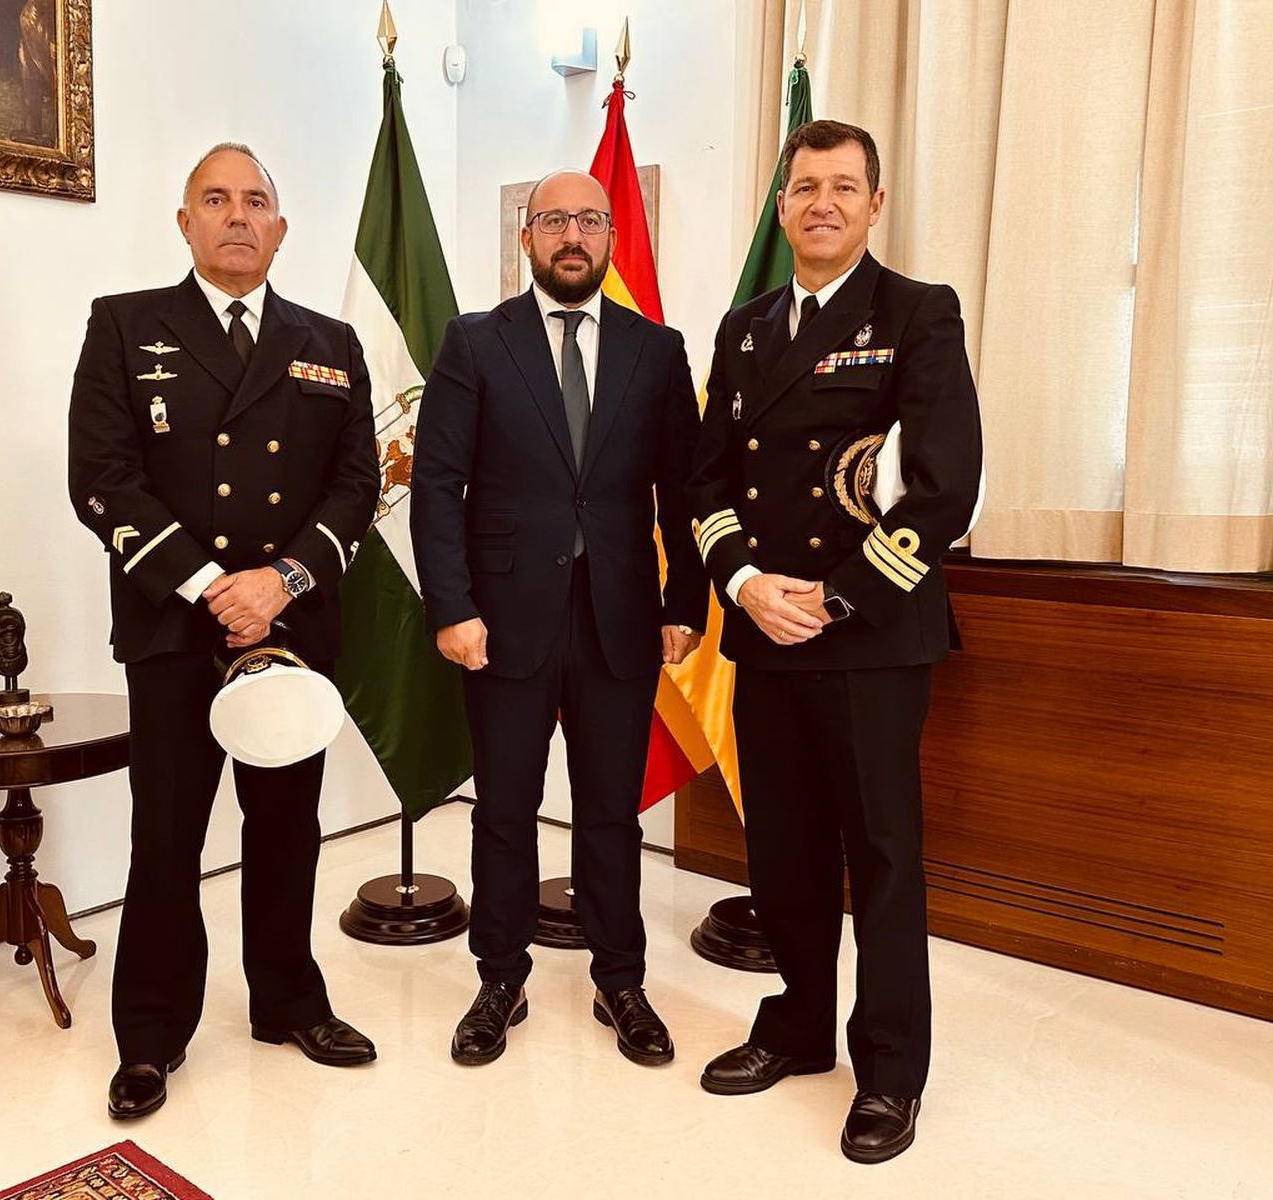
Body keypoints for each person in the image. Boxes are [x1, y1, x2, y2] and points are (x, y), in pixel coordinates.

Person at [689, 120, 983, 1163]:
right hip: (766, 631)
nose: (821, 203)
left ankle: (889, 1072)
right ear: (780, 208)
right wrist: (744, 583)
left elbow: (946, 484)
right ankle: (801, 1029)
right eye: (803, 186)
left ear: (874, 203)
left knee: (884, 859)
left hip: (867, 636)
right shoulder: (744, 328)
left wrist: (836, 595)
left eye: (842, 186)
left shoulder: (916, 313)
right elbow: (705, 479)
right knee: (783, 853)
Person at [67, 143, 380, 1120]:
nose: (237, 216)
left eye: (256, 202)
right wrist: (214, 586)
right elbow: (100, 480)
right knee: (165, 837)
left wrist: (279, 583)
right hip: (174, 631)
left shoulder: (331, 339)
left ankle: (288, 1000)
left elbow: (356, 485)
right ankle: (151, 1034)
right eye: (216, 199)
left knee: (287, 828)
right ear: (185, 223)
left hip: (289, 630)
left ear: (280, 229)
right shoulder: (124, 327)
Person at [410, 168, 706, 1068]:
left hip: (622, 619)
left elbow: (683, 491)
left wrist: (685, 602)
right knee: (505, 807)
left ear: (611, 236)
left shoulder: (656, 351)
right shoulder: (474, 343)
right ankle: (500, 977)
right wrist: (452, 607)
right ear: (526, 237)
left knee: (610, 811)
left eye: (588, 219)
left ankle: (622, 979)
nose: (571, 234)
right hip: (501, 623)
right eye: (553, 220)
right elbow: (437, 484)